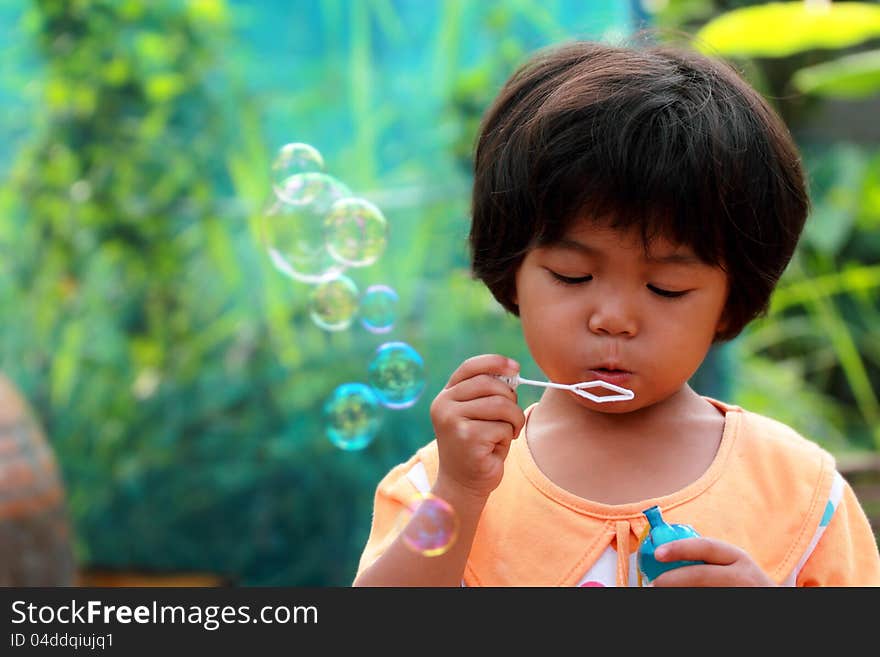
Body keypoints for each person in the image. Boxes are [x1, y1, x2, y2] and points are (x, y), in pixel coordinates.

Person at [352, 39, 880, 586]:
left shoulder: (797, 489)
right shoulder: (445, 481)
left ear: (731, 299)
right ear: (511, 269)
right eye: (572, 276)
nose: (613, 318)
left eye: (667, 288)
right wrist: (459, 495)